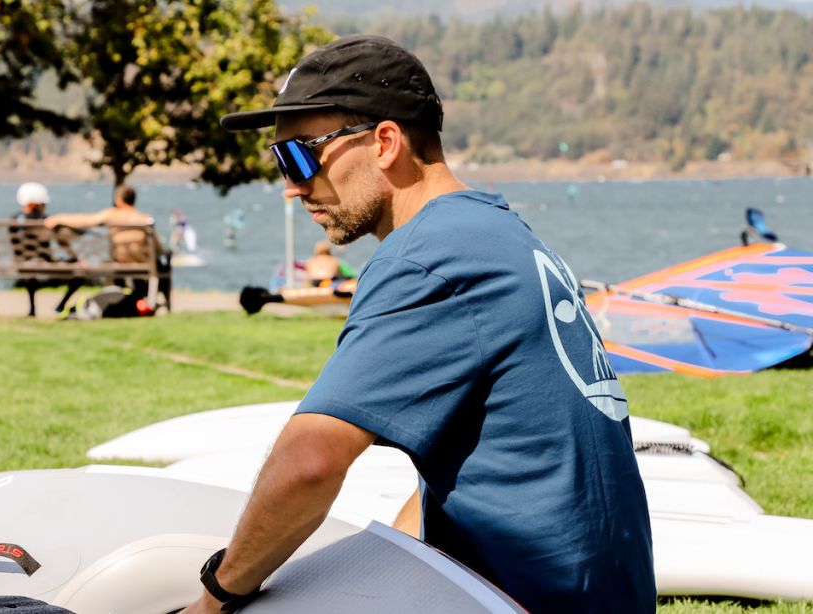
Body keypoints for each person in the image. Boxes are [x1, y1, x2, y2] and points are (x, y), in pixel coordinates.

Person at [183, 35, 656, 613]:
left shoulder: (427, 258)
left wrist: (215, 598)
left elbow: (310, 462)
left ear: (384, 142)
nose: (292, 185)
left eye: (300, 156)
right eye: (280, 161)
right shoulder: (497, 232)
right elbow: (465, 469)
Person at [45, 185, 169, 309]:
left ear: (118, 200)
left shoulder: (111, 214)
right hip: (143, 264)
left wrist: (58, 219)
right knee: (163, 266)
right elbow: (158, 248)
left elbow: (85, 220)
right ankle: (164, 303)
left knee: (89, 267)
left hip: (119, 262)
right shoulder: (145, 219)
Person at [10, 182, 72, 317]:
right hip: (45, 265)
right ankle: (61, 306)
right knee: (78, 274)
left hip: (22, 265)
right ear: (36, 203)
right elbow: (62, 242)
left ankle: (32, 310)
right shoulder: (47, 220)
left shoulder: (14, 220)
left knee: (31, 269)